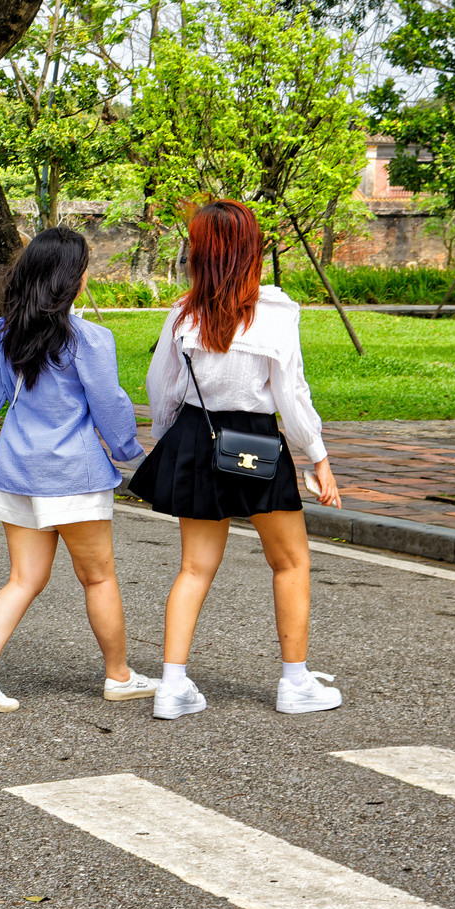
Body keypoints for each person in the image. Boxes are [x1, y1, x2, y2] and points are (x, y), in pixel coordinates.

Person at [126, 200, 344, 720]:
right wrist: (317, 456)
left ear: (199, 254)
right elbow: (291, 394)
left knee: (194, 568)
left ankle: (172, 687)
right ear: (252, 250)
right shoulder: (276, 313)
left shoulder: (183, 314)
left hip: (198, 438)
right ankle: (295, 682)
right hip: (258, 444)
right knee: (290, 561)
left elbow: (163, 389)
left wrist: (171, 442)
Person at [0, 227, 151, 713]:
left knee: (22, 579)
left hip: (18, 472)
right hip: (74, 476)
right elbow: (111, 405)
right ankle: (119, 676)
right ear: (76, 278)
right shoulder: (91, 339)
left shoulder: (4, 332)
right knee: (98, 579)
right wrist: (131, 453)